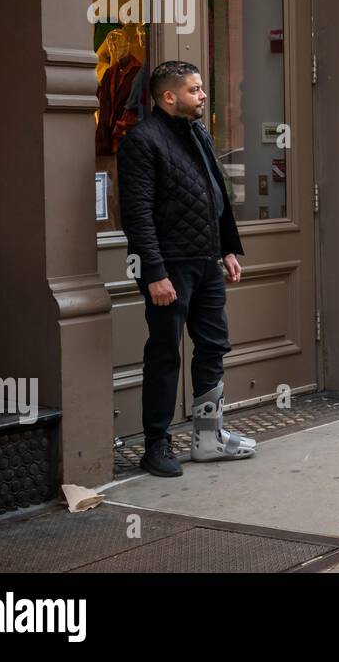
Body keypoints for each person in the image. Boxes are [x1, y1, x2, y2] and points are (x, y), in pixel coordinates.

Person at [117, 60, 255, 478]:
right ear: (168, 97)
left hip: (205, 262)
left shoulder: (198, 132)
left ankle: (208, 437)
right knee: (164, 354)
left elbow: (217, 193)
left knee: (214, 345)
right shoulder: (142, 142)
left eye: (201, 89)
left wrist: (227, 248)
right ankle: (156, 445)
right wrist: (155, 272)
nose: (203, 96)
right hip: (168, 268)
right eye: (195, 90)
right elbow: (137, 214)